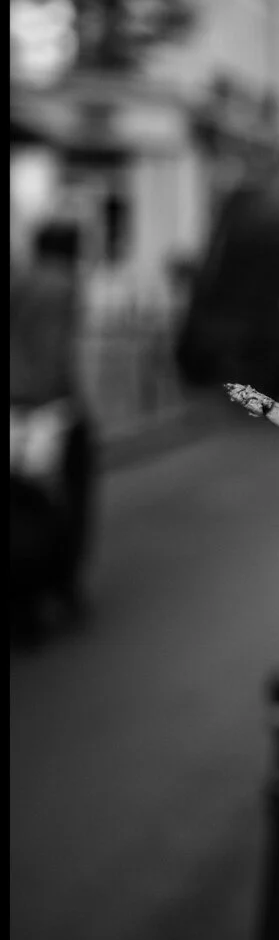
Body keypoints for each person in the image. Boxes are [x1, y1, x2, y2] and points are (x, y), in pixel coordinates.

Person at [10, 218, 96, 636]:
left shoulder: (21, 279)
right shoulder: (62, 284)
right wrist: (67, 407)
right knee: (62, 506)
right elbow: (54, 353)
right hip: (49, 411)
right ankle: (58, 586)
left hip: (15, 407)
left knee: (21, 505)